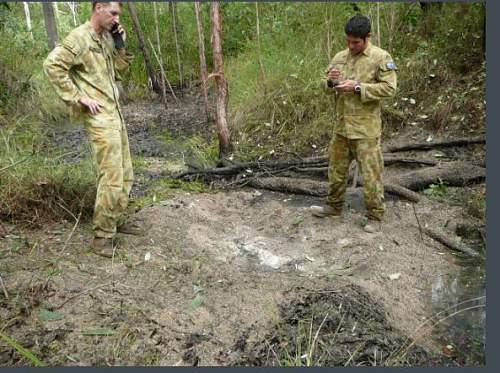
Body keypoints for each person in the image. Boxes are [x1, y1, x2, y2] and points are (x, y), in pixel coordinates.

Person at [44, 2, 143, 257]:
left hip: (115, 113)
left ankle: (114, 220)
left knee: (125, 172)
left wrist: (120, 46)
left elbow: (118, 73)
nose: (116, 18)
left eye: (118, 13)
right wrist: (78, 97)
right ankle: (102, 237)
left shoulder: (106, 38)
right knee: (111, 176)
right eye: (113, 12)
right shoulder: (79, 37)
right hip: (99, 117)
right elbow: (52, 65)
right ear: (98, 8)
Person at [310, 14, 397, 233]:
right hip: (341, 127)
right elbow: (323, 83)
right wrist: (331, 81)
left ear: (367, 37)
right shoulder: (340, 57)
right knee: (336, 171)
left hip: (366, 130)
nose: (351, 46)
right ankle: (333, 207)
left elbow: (389, 88)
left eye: (356, 42)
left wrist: (358, 87)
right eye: (348, 41)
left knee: (371, 175)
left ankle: (375, 216)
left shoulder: (380, 57)